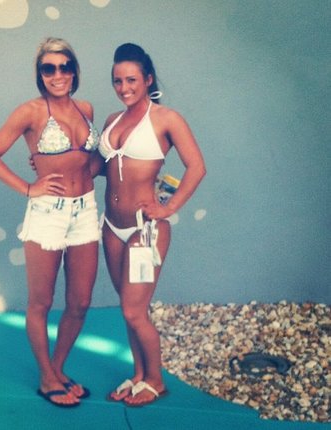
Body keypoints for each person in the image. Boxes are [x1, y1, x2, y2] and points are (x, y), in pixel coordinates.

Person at [0, 37, 100, 408]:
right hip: (48, 213)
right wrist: (30, 188)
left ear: (74, 71)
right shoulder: (30, 112)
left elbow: (91, 163)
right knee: (41, 302)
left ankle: (57, 368)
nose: (57, 74)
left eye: (64, 67)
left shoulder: (86, 109)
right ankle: (47, 378)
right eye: (49, 68)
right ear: (40, 74)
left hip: (86, 210)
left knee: (80, 302)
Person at [95, 43, 206, 407]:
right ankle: (139, 374)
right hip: (112, 226)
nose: (124, 87)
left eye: (131, 80)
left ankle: (156, 380)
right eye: (117, 81)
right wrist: (52, 164)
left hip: (145, 229)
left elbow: (197, 167)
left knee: (133, 310)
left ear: (147, 79)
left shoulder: (166, 119)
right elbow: (101, 167)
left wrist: (168, 207)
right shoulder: (112, 121)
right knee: (128, 308)